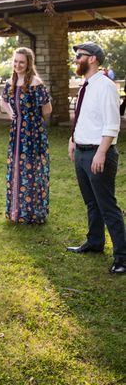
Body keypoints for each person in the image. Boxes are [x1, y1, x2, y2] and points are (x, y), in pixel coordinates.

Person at [67, 42, 125, 274]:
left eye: (79, 56)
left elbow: (112, 124)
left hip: (98, 154)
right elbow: (84, 118)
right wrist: (73, 140)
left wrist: (100, 153)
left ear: (92, 59)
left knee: (107, 205)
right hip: (82, 152)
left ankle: (122, 257)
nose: (75, 60)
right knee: (91, 202)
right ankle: (95, 242)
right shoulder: (86, 86)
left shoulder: (106, 86)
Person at [1, 47, 52, 224]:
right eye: (15, 61)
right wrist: (12, 114)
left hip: (32, 133)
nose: (18, 65)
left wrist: (31, 119)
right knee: (17, 168)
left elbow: (47, 109)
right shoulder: (11, 82)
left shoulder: (35, 83)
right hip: (17, 132)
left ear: (29, 63)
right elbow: (4, 100)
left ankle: (32, 212)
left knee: (31, 170)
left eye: (21, 62)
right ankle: (16, 211)